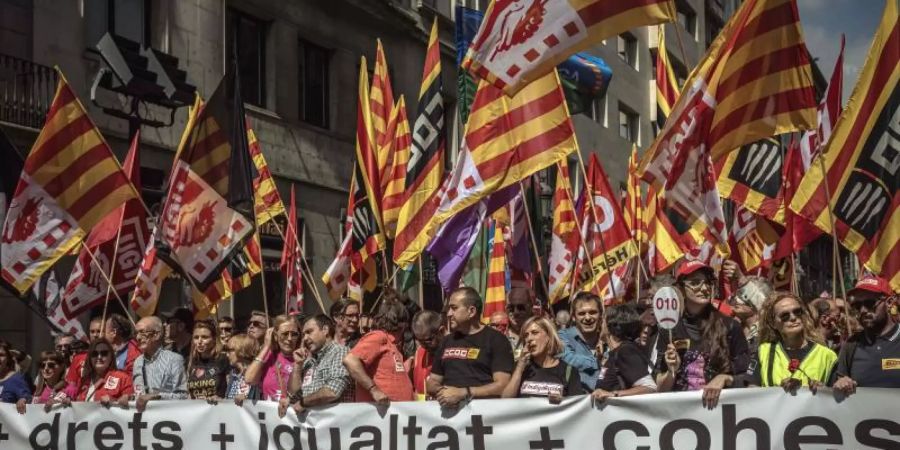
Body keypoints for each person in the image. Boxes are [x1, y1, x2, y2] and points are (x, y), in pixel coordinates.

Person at [654, 260, 750, 408]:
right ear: (681, 288)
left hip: (722, 412)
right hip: (682, 416)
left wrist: (724, 378)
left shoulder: (730, 326)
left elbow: (748, 377)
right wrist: (671, 372)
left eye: (708, 282)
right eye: (695, 282)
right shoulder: (669, 328)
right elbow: (659, 389)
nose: (704, 288)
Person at [426, 287, 514, 408]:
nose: (449, 313)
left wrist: (464, 393)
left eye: (454, 308)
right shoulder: (446, 341)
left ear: (471, 311)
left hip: (483, 417)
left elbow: (503, 385)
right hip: (449, 418)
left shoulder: (497, 340)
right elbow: (432, 382)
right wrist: (444, 392)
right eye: (449, 309)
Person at [747, 292, 837, 390]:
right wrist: (779, 392)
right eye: (785, 315)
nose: (793, 317)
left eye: (797, 312)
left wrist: (823, 389)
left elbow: (835, 397)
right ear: (773, 323)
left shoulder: (827, 356)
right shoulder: (763, 353)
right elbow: (752, 393)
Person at [831, 276, 900, 394]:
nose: (863, 310)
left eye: (869, 303)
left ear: (889, 302)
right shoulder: (851, 345)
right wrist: (841, 383)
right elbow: (837, 383)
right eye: (857, 306)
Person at [344, 300, 414, 403]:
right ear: (402, 324)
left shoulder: (393, 345)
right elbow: (350, 360)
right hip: (378, 415)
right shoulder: (378, 337)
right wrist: (373, 389)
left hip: (397, 415)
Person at [284, 315, 352, 417]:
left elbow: (333, 391)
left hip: (336, 427)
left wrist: (303, 402)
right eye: (303, 334)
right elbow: (293, 394)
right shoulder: (309, 362)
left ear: (325, 330)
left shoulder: (340, 352)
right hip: (314, 429)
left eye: (309, 332)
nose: (305, 338)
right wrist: (298, 365)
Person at [501, 317, 582, 401]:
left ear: (549, 336)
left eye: (535, 333)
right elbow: (505, 401)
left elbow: (576, 406)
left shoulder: (569, 371)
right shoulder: (521, 368)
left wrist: (562, 402)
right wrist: (519, 368)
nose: (529, 339)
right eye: (526, 335)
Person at [593, 303, 657, 400]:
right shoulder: (615, 353)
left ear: (611, 326)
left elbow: (649, 387)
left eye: (603, 321)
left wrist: (613, 394)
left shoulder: (625, 351)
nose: (600, 325)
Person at [132, 316, 188, 412]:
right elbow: (139, 394)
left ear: (157, 335)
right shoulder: (138, 362)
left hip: (167, 418)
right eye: (136, 333)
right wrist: (129, 398)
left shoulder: (174, 360)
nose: (138, 337)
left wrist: (157, 396)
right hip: (144, 421)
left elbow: (183, 396)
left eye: (142, 332)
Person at [245, 314, 301, 401]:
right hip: (269, 413)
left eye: (294, 334)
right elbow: (249, 379)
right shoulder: (269, 356)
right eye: (285, 334)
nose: (289, 338)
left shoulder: (303, 358)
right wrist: (267, 346)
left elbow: (297, 393)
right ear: (275, 336)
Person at [66, 339, 133, 406]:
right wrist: (66, 400)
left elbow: (132, 400)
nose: (99, 357)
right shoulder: (83, 380)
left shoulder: (123, 378)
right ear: (90, 358)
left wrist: (115, 401)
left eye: (104, 353)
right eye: (94, 354)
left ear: (111, 356)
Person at [559, 292, 603, 392]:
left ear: (600, 315)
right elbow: (568, 359)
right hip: (578, 403)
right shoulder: (563, 336)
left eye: (593, 312)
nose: (587, 318)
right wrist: (597, 362)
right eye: (581, 313)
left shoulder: (608, 339)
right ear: (574, 317)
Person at [728, 277, 772, 358]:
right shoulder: (731, 328)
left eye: (745, 296)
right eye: (738, 294)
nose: (737, 299)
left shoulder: (767, 333)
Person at [187, 319, 230, 401]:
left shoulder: (224, 359)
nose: (199, 341)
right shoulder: (191, 360)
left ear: (214, 339)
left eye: (204, 337)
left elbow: (231, 390)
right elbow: (189, 393)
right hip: (195, 410)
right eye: (196, 337)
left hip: (218, 410)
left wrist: (222, 399)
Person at [409, 310, 443, 401]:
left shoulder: (451, 352)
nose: (424, 345)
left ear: (441, 331)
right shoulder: (419, 352)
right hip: (422, 411)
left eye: (428, 340)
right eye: (420, 341)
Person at [224, 333, 261, 403]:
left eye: (230, 350)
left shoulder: (257, 374)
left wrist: (246, 399)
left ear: (242, 350)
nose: (227, 354)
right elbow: (227, 399)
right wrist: (219, 400)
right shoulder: (232, 374)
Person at [0, 342, 31, 414]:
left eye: (1, 355)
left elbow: (27, 397)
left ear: (8, 358)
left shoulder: (15, 379)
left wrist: (23, 400)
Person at [505, 287, 536, 357]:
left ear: (530, 308)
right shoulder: (499, 336)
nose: (515, 312)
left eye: (521, 307)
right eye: (511, 308)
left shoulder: (543, 335)